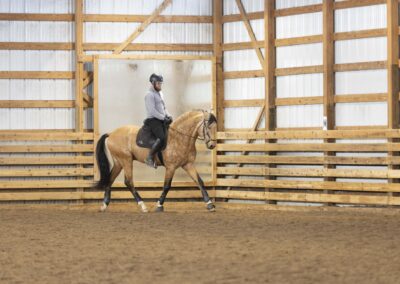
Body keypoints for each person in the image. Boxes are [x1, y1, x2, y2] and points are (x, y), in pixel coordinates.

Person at [144, 73, 173, 168]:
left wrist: (168, 115)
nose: (160, 85)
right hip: (153, 120)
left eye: (161, 83)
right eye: (158, 84)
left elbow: (164, 107)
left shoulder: (160, 93)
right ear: (153, 83)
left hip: (161, 119)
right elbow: (152, 111)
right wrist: (163, 118)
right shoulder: (149, 95)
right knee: (162, 137)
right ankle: (149, 157)